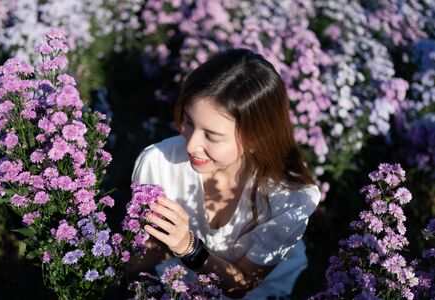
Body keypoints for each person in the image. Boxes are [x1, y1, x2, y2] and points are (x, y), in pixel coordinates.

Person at [128, 48, 320, 299]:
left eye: (212, 136)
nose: (190, 145)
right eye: (187, 120)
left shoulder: (290, 196)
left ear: (256, 137)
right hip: (182, 284)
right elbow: (150, 251)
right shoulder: (157, 162)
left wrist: (188, 247)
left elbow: (240, 285)